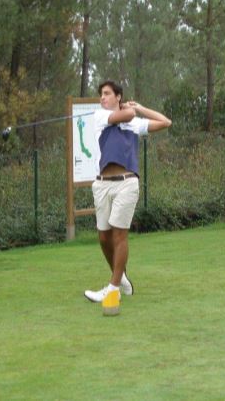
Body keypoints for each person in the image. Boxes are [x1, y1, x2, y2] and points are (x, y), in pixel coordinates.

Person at [84, 81, 172, 316]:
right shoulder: (100, 116)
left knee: (119, 234)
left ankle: (112, 288)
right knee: (103, 236)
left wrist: (141, 107)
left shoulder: (133, 122)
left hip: (126, 183)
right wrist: (129, 110)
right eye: (101, 94)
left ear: (118, 97)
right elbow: (125, 114)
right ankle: (120, 275)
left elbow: (165, 122)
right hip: (102, 184)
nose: (102, 98)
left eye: (107, 94)